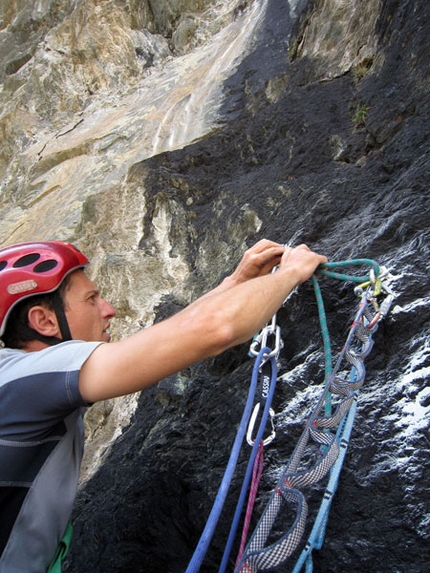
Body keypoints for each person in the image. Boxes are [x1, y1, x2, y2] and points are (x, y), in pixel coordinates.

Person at [0, 238, 327, 572]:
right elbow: (213, 330)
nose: (108, 309)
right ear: (44, 321)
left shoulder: (21, 380)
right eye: (91, 299)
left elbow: (161, 342)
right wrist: (289, 275)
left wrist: (235, 283)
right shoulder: (26, 379)